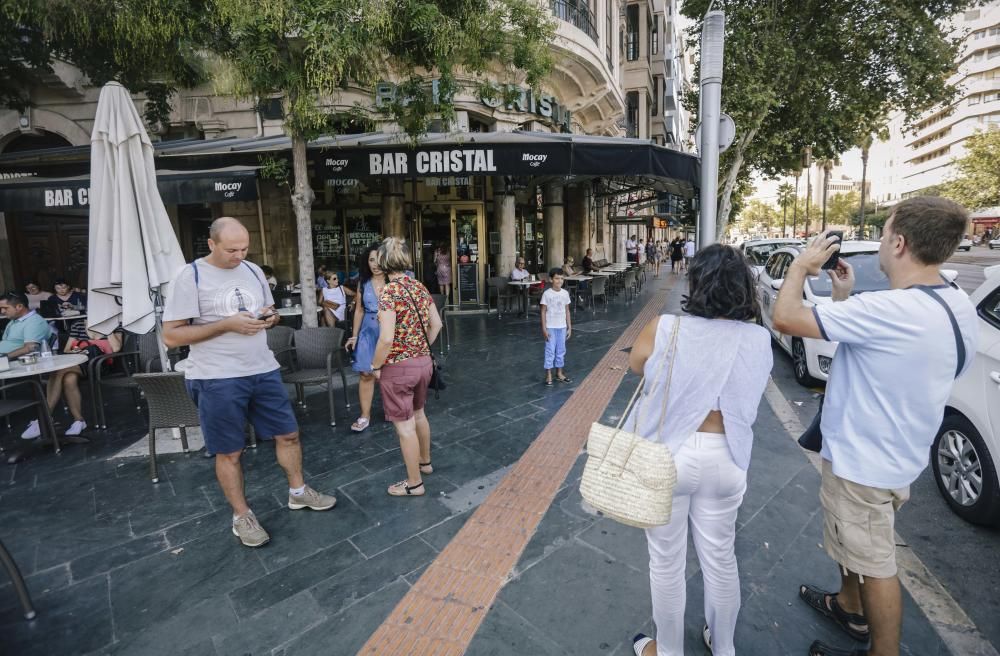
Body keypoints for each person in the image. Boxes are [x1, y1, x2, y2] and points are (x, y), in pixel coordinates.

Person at [771, 197, 978, 656]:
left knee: (876, 564)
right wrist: (842, 299)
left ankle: (880, 649)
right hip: (895, 453)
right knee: (853, 542)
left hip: (865, 463)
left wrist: (800, 268)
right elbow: (889, 356)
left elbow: (785, 317)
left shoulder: (895, 310)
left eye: (885, 235)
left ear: (900, 243)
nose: (881, 243)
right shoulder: (952, 301)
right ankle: (848, 605)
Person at [630, 244, 773, 656]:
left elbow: (636, 366)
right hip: (726, 456)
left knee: (666, 563)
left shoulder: (665, 328)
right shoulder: (759, 339)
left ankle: (669, 651)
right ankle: (723, 646)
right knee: (721, 558)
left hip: (668, 457)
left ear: (697, 284)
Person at [162, 217, 336, 548]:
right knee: (229, 450)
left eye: (244, 248)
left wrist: (270, 319)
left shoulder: (254, 271)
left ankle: (298, 492)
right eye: (231, 250)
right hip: (216, 376)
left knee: (289, 434)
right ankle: (241, 516)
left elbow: (266, 311)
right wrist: (225, 325)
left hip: (262, 368)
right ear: (211, 244)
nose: (239, 256)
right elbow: (171, 335)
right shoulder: (190, 276)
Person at [369, 237, 443, 497]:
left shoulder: (389, 292)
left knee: (404, 426)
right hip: (424, 363)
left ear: (383, 261)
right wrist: (420, 348)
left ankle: (414, 483)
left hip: (398, 367)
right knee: (419, 414)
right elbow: (437, 324)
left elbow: (386, 337)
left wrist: (376, 364)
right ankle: (426, 463)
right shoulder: (419, 286)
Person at [20, 329, 123, 440]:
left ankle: (43, 419)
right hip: (78, 364)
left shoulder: (113, 325)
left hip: (100, 365)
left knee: (59, 371)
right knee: (69, 379)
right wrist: (77, 351)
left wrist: (107, 328)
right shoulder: (78, 325)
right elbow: (66, 350)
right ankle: (79, 421)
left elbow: (116, 348)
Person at [345, 243, 386, 433]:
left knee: (390, 373)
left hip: (389, 331)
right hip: (368, 332)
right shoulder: (364, 281)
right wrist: (354, 336)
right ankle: (365, 415)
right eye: (371, 260)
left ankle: (393, 409)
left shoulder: (394, 281)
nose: (375, 264)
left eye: (378, 259)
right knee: (365, 373)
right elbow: (359, 310)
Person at [540, 268, 572, 386]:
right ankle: (548, 373)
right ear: (551, 279)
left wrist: (569, 327)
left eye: (562, 278)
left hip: (562, 327)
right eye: (557, 278)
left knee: (561, 351)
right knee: (550, 351)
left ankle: (559, 372)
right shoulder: (547, 294)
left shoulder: (565, 293)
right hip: (550, 327)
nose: (559, 281)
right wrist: (544, 328)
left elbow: (567, 310)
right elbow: (543, 311)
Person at [0, 292, 52, 360]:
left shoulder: (34, 321)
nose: (2, 311)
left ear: (20, 307)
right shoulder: (13, 320)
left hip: (15, 363)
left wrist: (3, 358)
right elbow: (6, 342)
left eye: (5, 308)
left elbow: (30, 348)